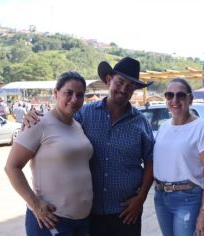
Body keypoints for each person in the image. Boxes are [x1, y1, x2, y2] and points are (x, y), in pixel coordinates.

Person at [23, 57, 155, 236]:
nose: (124, 89)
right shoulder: (84, 114)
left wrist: (141, 198)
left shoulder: (141, 123)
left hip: (126, 214)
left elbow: (150, 162)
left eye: (131, 86)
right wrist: (33, 118)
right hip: (90, 215)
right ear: (109, 80)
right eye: (120, 82)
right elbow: (57, 123)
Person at [5, 71, 93, 236]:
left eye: (80, 95)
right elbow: (11, 167)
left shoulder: (77, 125)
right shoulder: (39, 123)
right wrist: (35, 204)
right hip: (51, 220)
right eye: (69, 93)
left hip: (81, 221)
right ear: (56, 93)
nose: (74, 99)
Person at [153, 78, 204, 236]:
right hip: (161, 197)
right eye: (169, 95)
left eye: (180, 95)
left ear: (190, 99)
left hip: (188, 199)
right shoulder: (164, 127)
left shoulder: (202, 128)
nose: (174, 100)